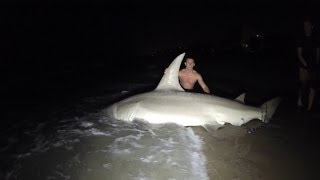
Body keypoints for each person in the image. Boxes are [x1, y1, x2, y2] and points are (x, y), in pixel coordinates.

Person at [297, 20, 320, 112]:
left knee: (312, 87)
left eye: (307, 25)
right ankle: (300, 102)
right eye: (304, 25)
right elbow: (299, 54)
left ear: (312, 27)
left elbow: (318, 53)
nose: (305, 27)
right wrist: (306, 65)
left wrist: (316, 65)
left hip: (313, 66)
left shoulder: (316, 39)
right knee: (302, 86)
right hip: (303, 66)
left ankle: (309, 108)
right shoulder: (301, 38)